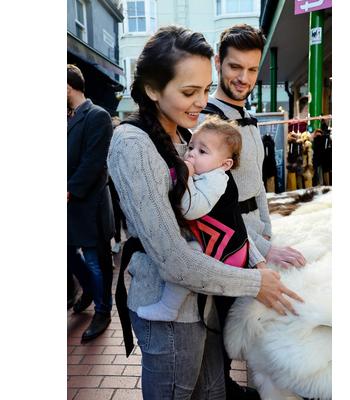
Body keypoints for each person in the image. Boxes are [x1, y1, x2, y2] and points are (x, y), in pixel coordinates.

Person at [107, 25, 303, 400]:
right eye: (189, 92)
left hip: (204, 300)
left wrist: (258, 256)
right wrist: (256, 282)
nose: (201, 102)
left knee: (214, 391)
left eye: (204, 88)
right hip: (170, 314)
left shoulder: (185, 135)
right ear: (152, 89)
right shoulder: (133, 144)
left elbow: (223, 215)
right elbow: (174, 259)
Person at [198, 23, 307, 397]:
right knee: (219, 336)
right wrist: (259, 250)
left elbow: (258, 187)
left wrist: (267, 234)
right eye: (234, 67)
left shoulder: (249, 116)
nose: (243, 78)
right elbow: (213, 208)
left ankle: (228, 386)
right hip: (228, 249)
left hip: (254, 243)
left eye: (251, 69)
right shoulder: (206, 123)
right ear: (218, 63)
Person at [137, 115, 264, 322]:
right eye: (190, 147)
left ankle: (169, 307)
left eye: (202, 151)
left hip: (227, 253)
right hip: (221, 241)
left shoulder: (216, 180)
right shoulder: (205, 172)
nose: (191, 154)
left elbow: (190, 210)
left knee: (189, 256)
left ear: (225, 164)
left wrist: (185, 176)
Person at [67, 64, 115, 342]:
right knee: (68, 255)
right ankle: (88, 290)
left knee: (96, 262)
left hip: (90, 203)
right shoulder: (68, 117)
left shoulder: (97, 115)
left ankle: (103, 311)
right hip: (71, 205)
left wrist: (69, 190)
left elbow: (94, 162)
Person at [109, 116, 127, 254]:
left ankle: (126, 234)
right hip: (111, 184)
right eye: (113, 127)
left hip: (123, 184)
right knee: (115, 212)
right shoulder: (107, 144)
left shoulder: (125, 144)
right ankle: (118, 240)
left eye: (117, 127)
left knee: (124, 211)